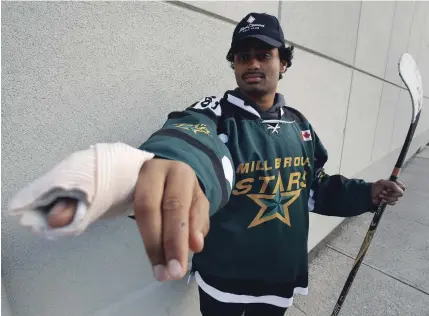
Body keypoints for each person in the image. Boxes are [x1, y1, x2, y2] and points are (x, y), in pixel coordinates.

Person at [10, 12, 405, 316]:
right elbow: (190, 142)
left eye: (264, 54)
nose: (253, 63)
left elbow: (316, 189)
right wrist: (178, 166)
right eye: (243, 56)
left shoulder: (300, 126)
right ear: (233, 65)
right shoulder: (214, 114)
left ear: (283, 63)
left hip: (281, 280)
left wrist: (367, 194)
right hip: (223, 282)